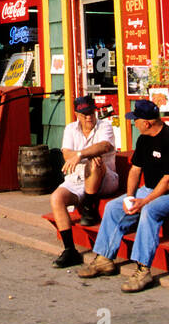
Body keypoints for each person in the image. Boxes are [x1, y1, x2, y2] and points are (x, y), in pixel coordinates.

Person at [76, 99, 169, 292]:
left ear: (147, 123)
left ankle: (143, 269)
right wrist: (129, 197)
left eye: (136, 120)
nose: (134, 123)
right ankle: (104, 258)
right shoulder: (144, 139)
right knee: (114, 207)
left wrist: (144, 201)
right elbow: (135, 170)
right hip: (150, 189)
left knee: (149, 210)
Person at [50, 95, 119, 268]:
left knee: (95, 162)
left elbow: (104, 146)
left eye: (90, 112)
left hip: (106, 178)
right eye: (83, 114)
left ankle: (89, 208)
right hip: (78, 178)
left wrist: (80, 154)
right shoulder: (71, 129)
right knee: (56, 198)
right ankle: (69, 250)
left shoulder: (105, 126)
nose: (88, 117)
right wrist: (88, 153)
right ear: (76, 114)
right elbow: (66, 154)